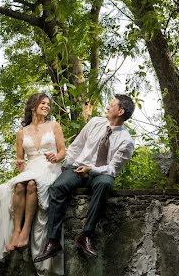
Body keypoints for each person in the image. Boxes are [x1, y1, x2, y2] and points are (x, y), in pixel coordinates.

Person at [34, 94, 135, 261]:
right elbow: (77, 146)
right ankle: (53, 242)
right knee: (57, 187)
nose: (108, 107)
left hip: (100, 173)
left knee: (105, 184)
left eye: (112, 105)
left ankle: (86, 235)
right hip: (77, 168)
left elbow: (112, 169)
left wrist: (91, 169)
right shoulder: (95, 122)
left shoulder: (126, 141)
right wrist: (66, 168)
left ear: (120, 111)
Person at [0, 92, 66, 274]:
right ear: (33, 106)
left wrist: (56, 157)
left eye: (48, 104)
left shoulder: (54, 125)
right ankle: (16, 232)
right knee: (19, 186)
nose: (46, 106)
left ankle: (25, 232)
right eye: (43, 103)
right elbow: (20, 159)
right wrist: (19, 163)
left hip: (49, 168)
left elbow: (63, 151)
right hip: (31, 167)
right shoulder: (21, 132)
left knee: (32, 184)